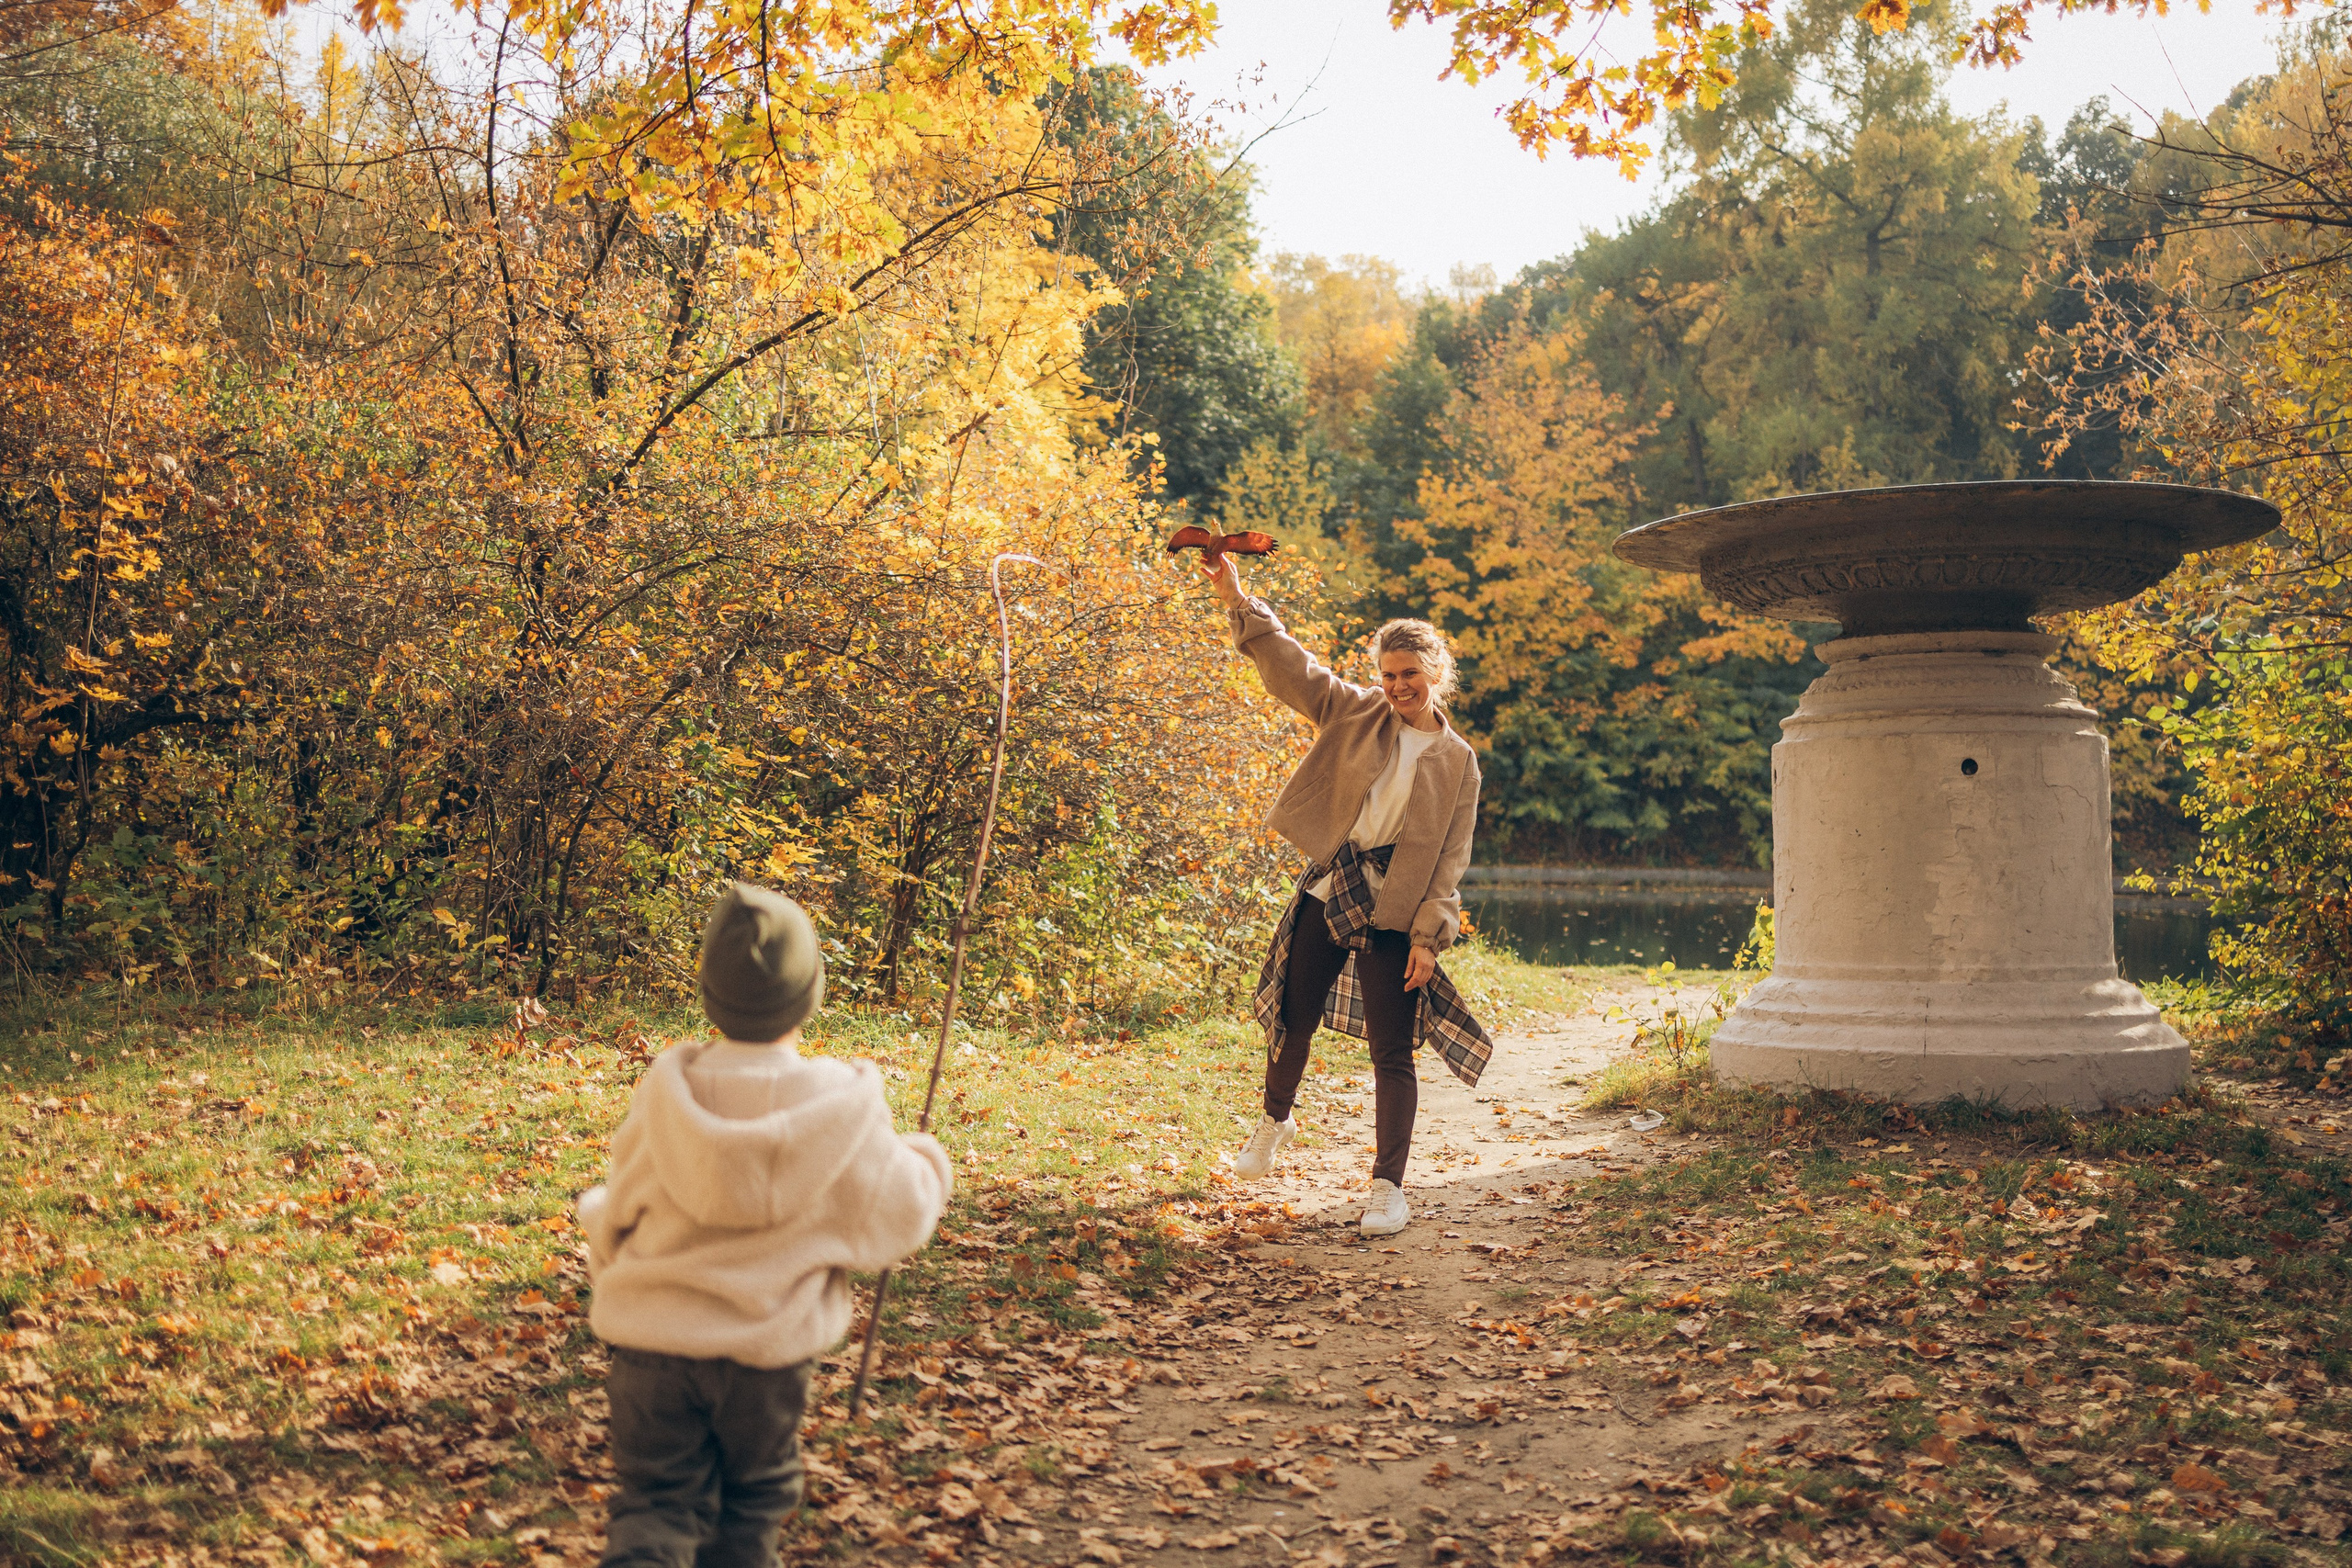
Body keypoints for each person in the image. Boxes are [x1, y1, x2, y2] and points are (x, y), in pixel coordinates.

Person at [579, 883, 952, 1567]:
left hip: (651, 1350)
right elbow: (901, 1215)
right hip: (765, 1366)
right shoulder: (842, 1111)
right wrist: (925, 1159)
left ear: (710, 995)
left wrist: (602, 1235)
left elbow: (618, 1208)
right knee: (750, 1507)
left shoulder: (667, 1096)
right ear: (808, 995)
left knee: (655, 1505)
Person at [1204, 553, 1493, 1237]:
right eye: (1389, 675)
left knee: (1392, 1050)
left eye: (1409, 675)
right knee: (1292, 1015)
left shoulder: (1459, 762)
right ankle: (1275, 1121)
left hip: (1395, 912)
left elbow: (1451, 860)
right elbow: (1292, 666)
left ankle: (1388, 1188)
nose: (1397, 687)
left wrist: (1429, 936)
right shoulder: (1356, 712)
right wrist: (1238, 598)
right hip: (1332, 886)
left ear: (1435, 674)